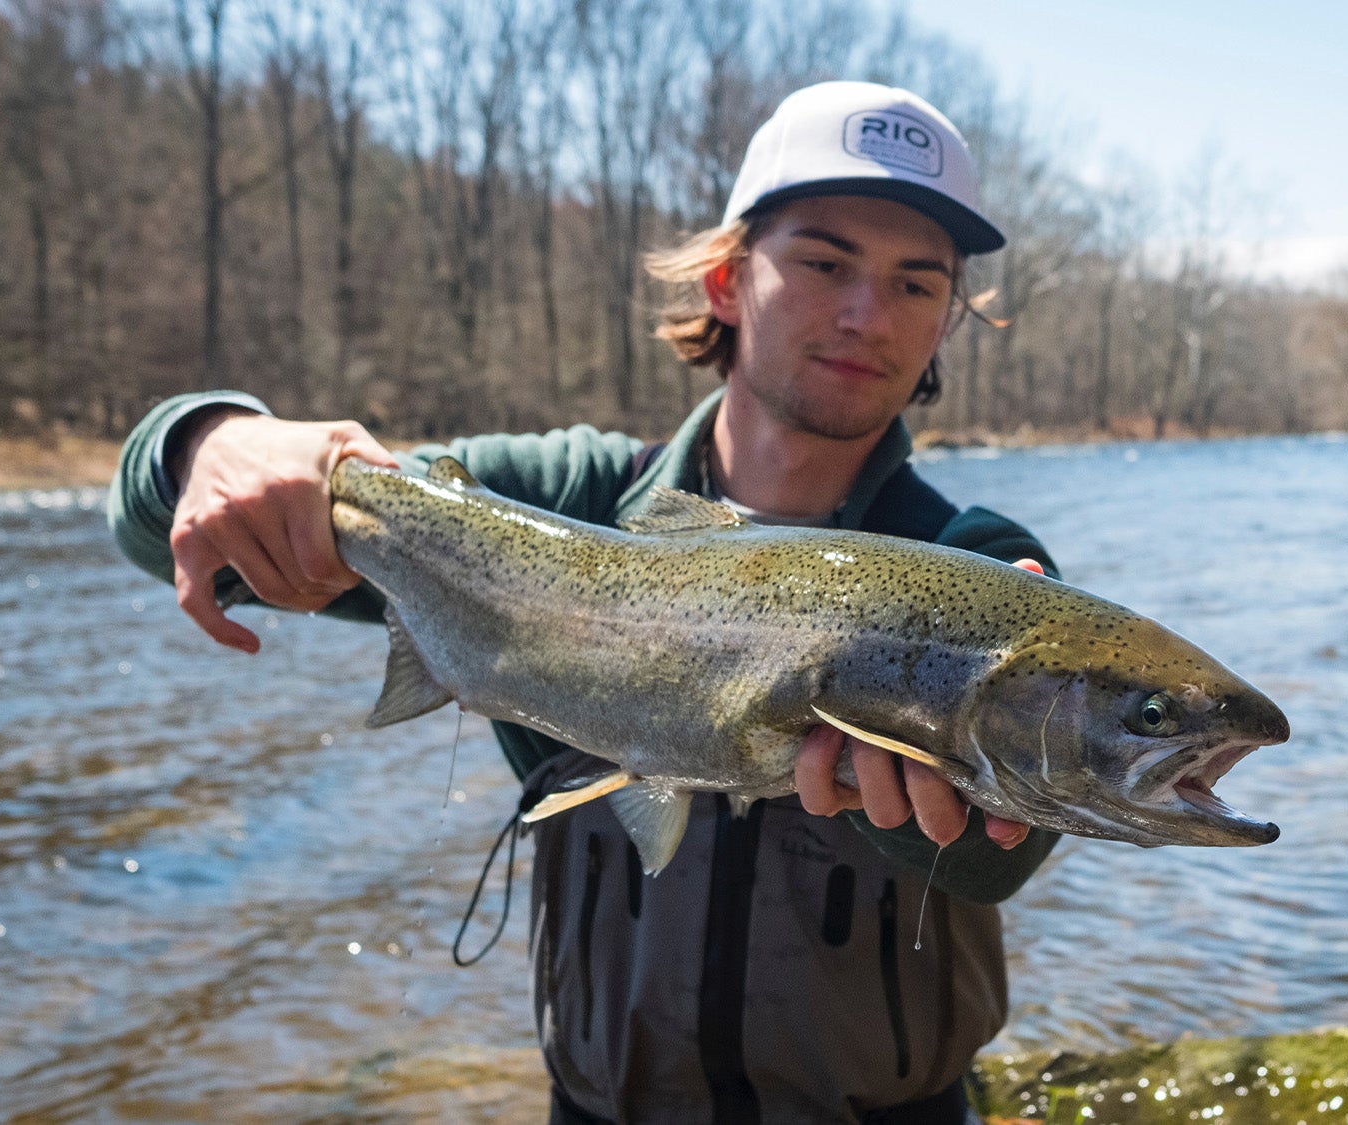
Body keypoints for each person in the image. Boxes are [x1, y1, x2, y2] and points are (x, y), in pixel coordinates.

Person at [107, 80, 1061, 1124]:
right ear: (727, 280)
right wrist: (216, 438)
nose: (863, 314)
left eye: (915, 285)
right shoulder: (555, 502)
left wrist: (960, 801)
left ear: (946, 324)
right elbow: (165, 531)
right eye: (824, 262)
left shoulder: (976, 572)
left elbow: (997, 858)